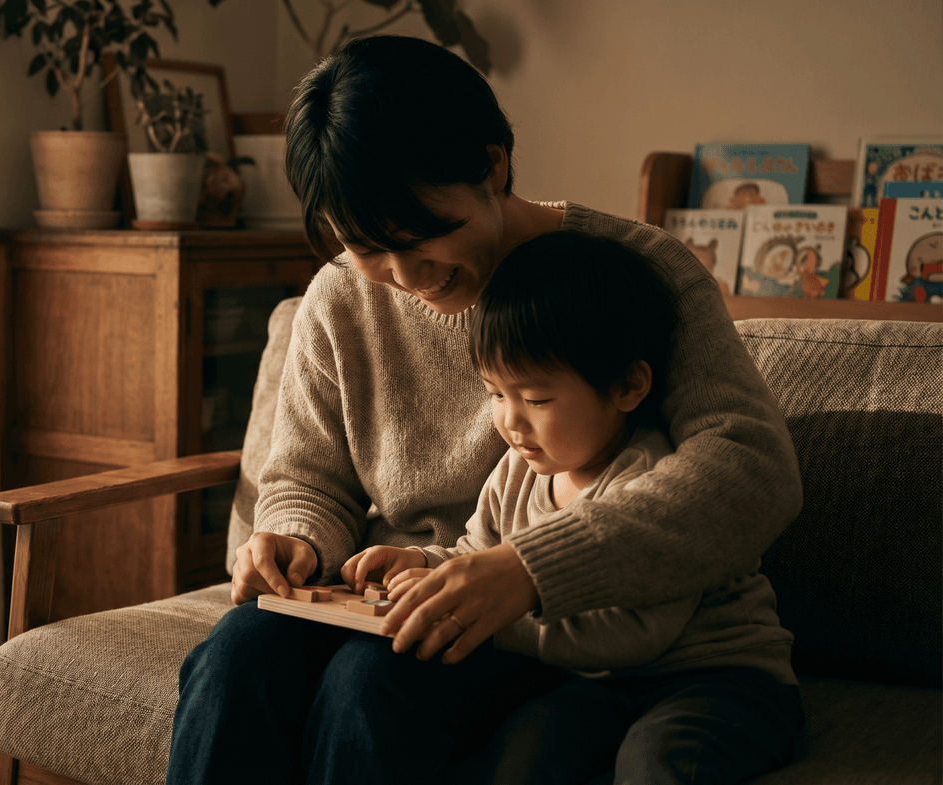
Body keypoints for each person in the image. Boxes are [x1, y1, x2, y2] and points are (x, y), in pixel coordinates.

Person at [167, 35, 803, 785]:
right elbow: (309, 478)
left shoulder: (635, 274)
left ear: (492, 166)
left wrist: (530, 569)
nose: (406, 277)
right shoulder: (339, 298)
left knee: (370, 684)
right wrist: (295, 538)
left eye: (425, 233)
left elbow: (750, 468)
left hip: (551, 629)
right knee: (239, 651)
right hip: (402, 591)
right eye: (367, 247)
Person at [344, 230, 801, 783]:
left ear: (628, 386)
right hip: (594, 685)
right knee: (523, 757)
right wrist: (425, 567)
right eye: (495, 394)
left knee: (658, 764)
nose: (511, 422)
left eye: (536, 399)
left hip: (719, 680)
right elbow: (479, 553)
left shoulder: (651, 475)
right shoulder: (518, 470)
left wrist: (491, 615)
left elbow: (632, 635)